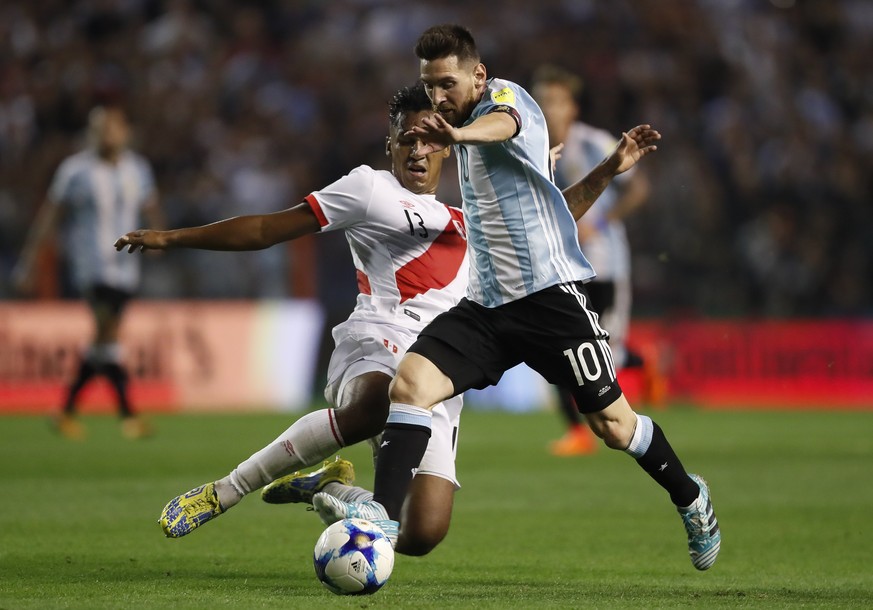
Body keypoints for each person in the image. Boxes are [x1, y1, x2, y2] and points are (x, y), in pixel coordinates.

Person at [115, 83, 658, 555]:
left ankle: (327, 489)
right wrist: (171, 238)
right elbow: (267, 229)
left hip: (441, 369)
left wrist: (609, 169)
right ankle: (225, 490)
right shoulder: (370, 189)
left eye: (430, 137)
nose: (418, 149)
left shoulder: (470, 218)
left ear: (448, 145)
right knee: (376, 402)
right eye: (407, 138)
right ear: (391, 144)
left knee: (422, 533)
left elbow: (552, 224)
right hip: (376, 343)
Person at [314, 24, 720, 572]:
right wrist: (606, 170)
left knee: (614, 427)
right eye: (429, 87)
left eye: (448, 84)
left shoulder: (508, 100)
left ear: (478, 75)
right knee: (409, 385)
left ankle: (691, 498)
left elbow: (502, 123)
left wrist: (457, 137)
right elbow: (556, 207)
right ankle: (382, 519)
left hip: (549, 302)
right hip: (485, 307)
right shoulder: (468, 131)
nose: (438, 98)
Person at [531, 64, 661, 457]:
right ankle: (577, 433)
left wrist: (601, 220)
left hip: (604, 264)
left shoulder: (594, 143)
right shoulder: (529, 146)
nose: (547, 108)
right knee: (552, 347)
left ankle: (642, 361)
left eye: (555, 100)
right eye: (542, 101)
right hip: (559, 266)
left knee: (607, 356)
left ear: (572, 106)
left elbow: (638, 187)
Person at [14, 105, 162, 440]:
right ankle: (129, 415)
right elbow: (50, 216)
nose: (106, 134)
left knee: (104, 342)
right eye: (99, 128)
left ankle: (66, 411)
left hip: (128, 268)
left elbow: (152, 207)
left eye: (112, 127)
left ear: (125, 132)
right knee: (107, 332)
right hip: (91, 267)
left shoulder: (137, 169)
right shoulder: (75, 171)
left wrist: (161, 238)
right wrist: (31, 261)